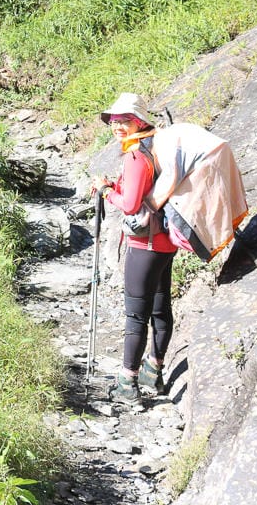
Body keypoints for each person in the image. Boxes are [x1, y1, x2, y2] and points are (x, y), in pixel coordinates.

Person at [92, 92, 175, 407]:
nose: (118, 126)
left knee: (136, 316)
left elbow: (129, 206)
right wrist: (115, 186)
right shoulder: (153, 148)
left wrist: (105, 192)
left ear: (138, 121)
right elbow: (142, 191)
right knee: (160, 308)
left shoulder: (135, 156)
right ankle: (153, 371)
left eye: (124, 121)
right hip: (165, 243)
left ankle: (128, 383)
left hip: (145, 244)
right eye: (114, 121)